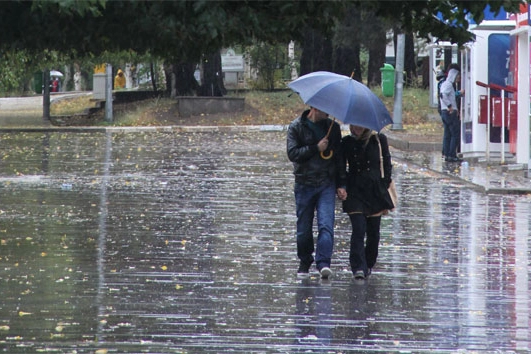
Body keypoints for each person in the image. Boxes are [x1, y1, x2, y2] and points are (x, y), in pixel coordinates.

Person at [287, 107, 346, 279]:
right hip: (304, 184)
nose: (328, 112)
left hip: (326, 183)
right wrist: (316, 148)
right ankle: (305, 261)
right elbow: (293, 154)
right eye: (323, 109)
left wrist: (342, 183)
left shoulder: (332, 128)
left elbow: (338, 157)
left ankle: (324, 263)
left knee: (326, 224)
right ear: (314, 108)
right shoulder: (296, 127)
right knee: (304, 228)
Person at [339, 125, 394, 280]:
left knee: (373, 232)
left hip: (375, 191)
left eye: (359, 125)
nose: (356, 128)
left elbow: (387, 163)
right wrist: (341, 186)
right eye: (353, 125)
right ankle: (357, 267)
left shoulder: (378, 140)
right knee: (358, 228)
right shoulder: (347, 142)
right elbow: (341, 167)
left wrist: (384, 183)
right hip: (355, 191)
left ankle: (369, 263)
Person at [439, 64, 463, 162]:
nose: (459, 79)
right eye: (458, 76)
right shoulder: (448, 85)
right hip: (449, 112)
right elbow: (443, 95)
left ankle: (447, 154)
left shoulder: (445, 84)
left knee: (448, 134)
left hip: (445, 112)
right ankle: (452, 154)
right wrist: (450, 107)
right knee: (455, 133)